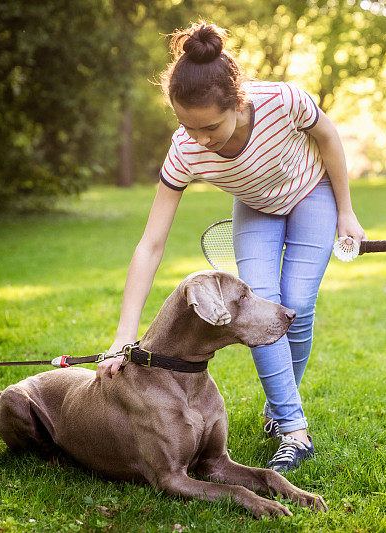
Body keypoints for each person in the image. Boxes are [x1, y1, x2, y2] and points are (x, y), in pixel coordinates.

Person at [97, 21, 365, 473]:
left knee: (297, 304)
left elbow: (329, 137)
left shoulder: (282, 100)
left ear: (238, 102)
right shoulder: (185, 149)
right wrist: (125, 335)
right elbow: (150, 244)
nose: (199, 138)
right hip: (256, 208)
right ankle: (293, 429)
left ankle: (279, 408)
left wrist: (346, 211)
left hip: (311, 192)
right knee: (253, 308)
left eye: (210, 126)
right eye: (187, 125)